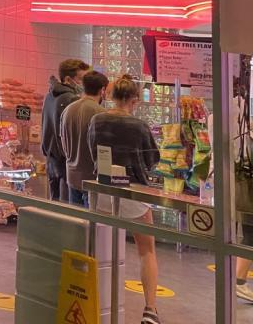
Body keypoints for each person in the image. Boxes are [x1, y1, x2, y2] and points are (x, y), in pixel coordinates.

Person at [88, 75, 162, 324]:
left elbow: (92, 151)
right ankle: (150, 310)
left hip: (103, 190)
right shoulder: (138, 125)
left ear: (110, 96)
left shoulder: (97, 120)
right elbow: (152, 158)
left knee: (100, 249)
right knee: (146, 250)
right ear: (134, 99)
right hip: (132, 192)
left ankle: (95, 301)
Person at [41, 58, 89, 201]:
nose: (83, 84)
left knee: (54, 206)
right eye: (81, 79)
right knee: (66, 210)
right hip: (65, 162)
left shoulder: (49, 96)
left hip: (51, 159)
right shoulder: (71, 99)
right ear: (68, 79)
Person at [60, 70, 108, 207]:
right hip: (92, 179)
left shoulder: (67, 110)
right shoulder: (101, 114)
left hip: (72, 176)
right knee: (91, 225)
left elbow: (63, 144)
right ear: (102, 90)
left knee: (75, 224)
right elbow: (103, 151)